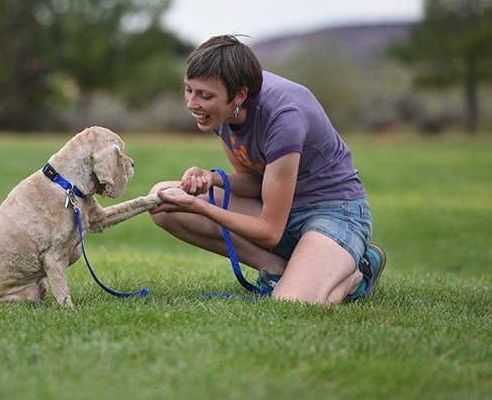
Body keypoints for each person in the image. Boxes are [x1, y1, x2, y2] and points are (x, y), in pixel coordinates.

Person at [150, 34, 385, 304]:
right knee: (163, 199)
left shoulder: (284, 117)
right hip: (280, 209)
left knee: (294, 302)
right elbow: (254, 180)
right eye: (189, 90)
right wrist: (211, 177)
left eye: (204, 95)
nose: (192, 104)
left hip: (334, 211)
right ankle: (275, 269)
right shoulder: (221, 110)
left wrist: (202, 207)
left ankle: (359, 273)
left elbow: (269, 230)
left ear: (239, 95)